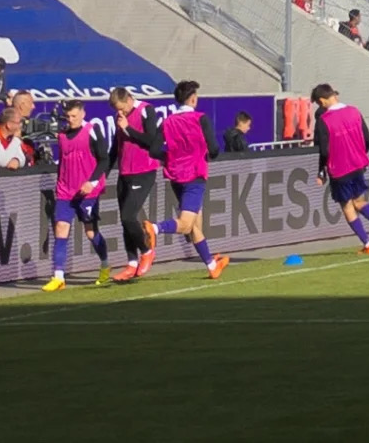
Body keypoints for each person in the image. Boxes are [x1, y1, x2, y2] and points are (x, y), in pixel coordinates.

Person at [121, 79, 228, 278]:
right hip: (194, 175)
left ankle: (212, 266)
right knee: (186, 224)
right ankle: (154, 228)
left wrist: (171, 157)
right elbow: (214, 149)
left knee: (195, 224)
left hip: (176, 176)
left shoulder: (168, 121)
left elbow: (153, 150)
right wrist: (204, 155)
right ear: (193, 99)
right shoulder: (200, 118)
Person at [310, 83, 369, 254]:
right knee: (359, 201)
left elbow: (324, 150)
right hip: (357, 165)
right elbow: (368, 139)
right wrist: (359, 155)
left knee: (347, 206)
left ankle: (368, 245)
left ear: (322, 100)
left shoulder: (324, 120)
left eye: (319, 104)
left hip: (339, 169)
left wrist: (321, 171)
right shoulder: (354, 111)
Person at [40, 99, 112, 291]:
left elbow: (104, 160)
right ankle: (58, 276)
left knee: (90, 231)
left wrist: (92, 182)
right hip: (65, 191)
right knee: (61, 228)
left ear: (82, 114)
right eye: (68, 116)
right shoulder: (62, 135)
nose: (70, 120)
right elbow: (63, 163)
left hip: (87, 191)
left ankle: (105, 265)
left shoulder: (92, 131)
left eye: (73, 116)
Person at [107, 86, 162, 283]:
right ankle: (131, 263)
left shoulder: (147, 110)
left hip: (144, 171)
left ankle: (147, 251)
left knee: (129, 216)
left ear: (130, 99)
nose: (121, 113)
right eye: (117, 110)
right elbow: (115, 147)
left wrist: (128, 128)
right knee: (125, 222)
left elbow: (151, 140)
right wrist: (103, 174)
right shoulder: (119, 118)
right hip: (124, 172)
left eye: (123, 108)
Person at [0, 102, 28, 169]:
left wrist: (17, 160)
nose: (21, 126)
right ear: (9, 125)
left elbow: (22, 157)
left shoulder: (11, 138)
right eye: (18, 122)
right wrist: (16, 139)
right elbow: (2, 162)